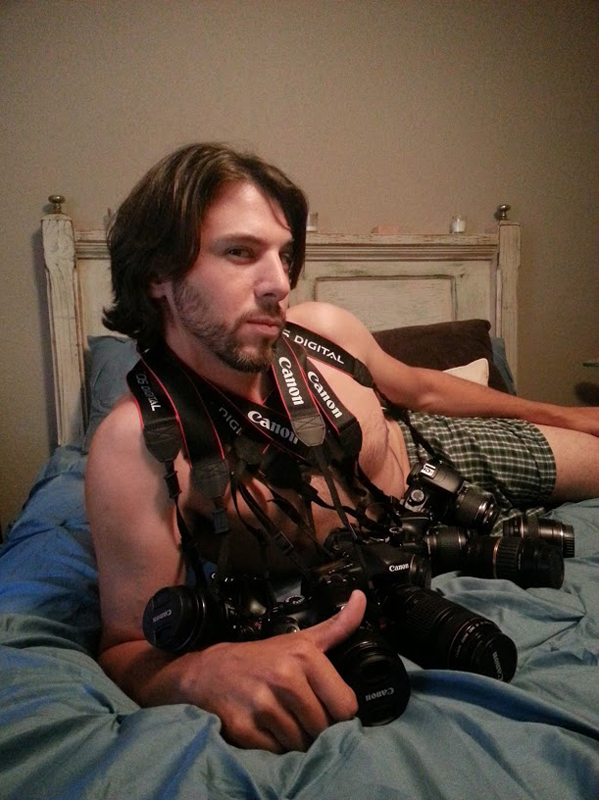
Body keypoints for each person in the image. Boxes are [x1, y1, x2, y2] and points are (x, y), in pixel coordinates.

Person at [86, 143, 599, 755]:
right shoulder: (140, 447)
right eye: (240, 252)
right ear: (157, 275)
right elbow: (126, 646)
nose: (279, 284)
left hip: (438, 460)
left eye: (284, 256)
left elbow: (423, 391)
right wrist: (197, 674)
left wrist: (568, 415)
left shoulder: (323, 330)